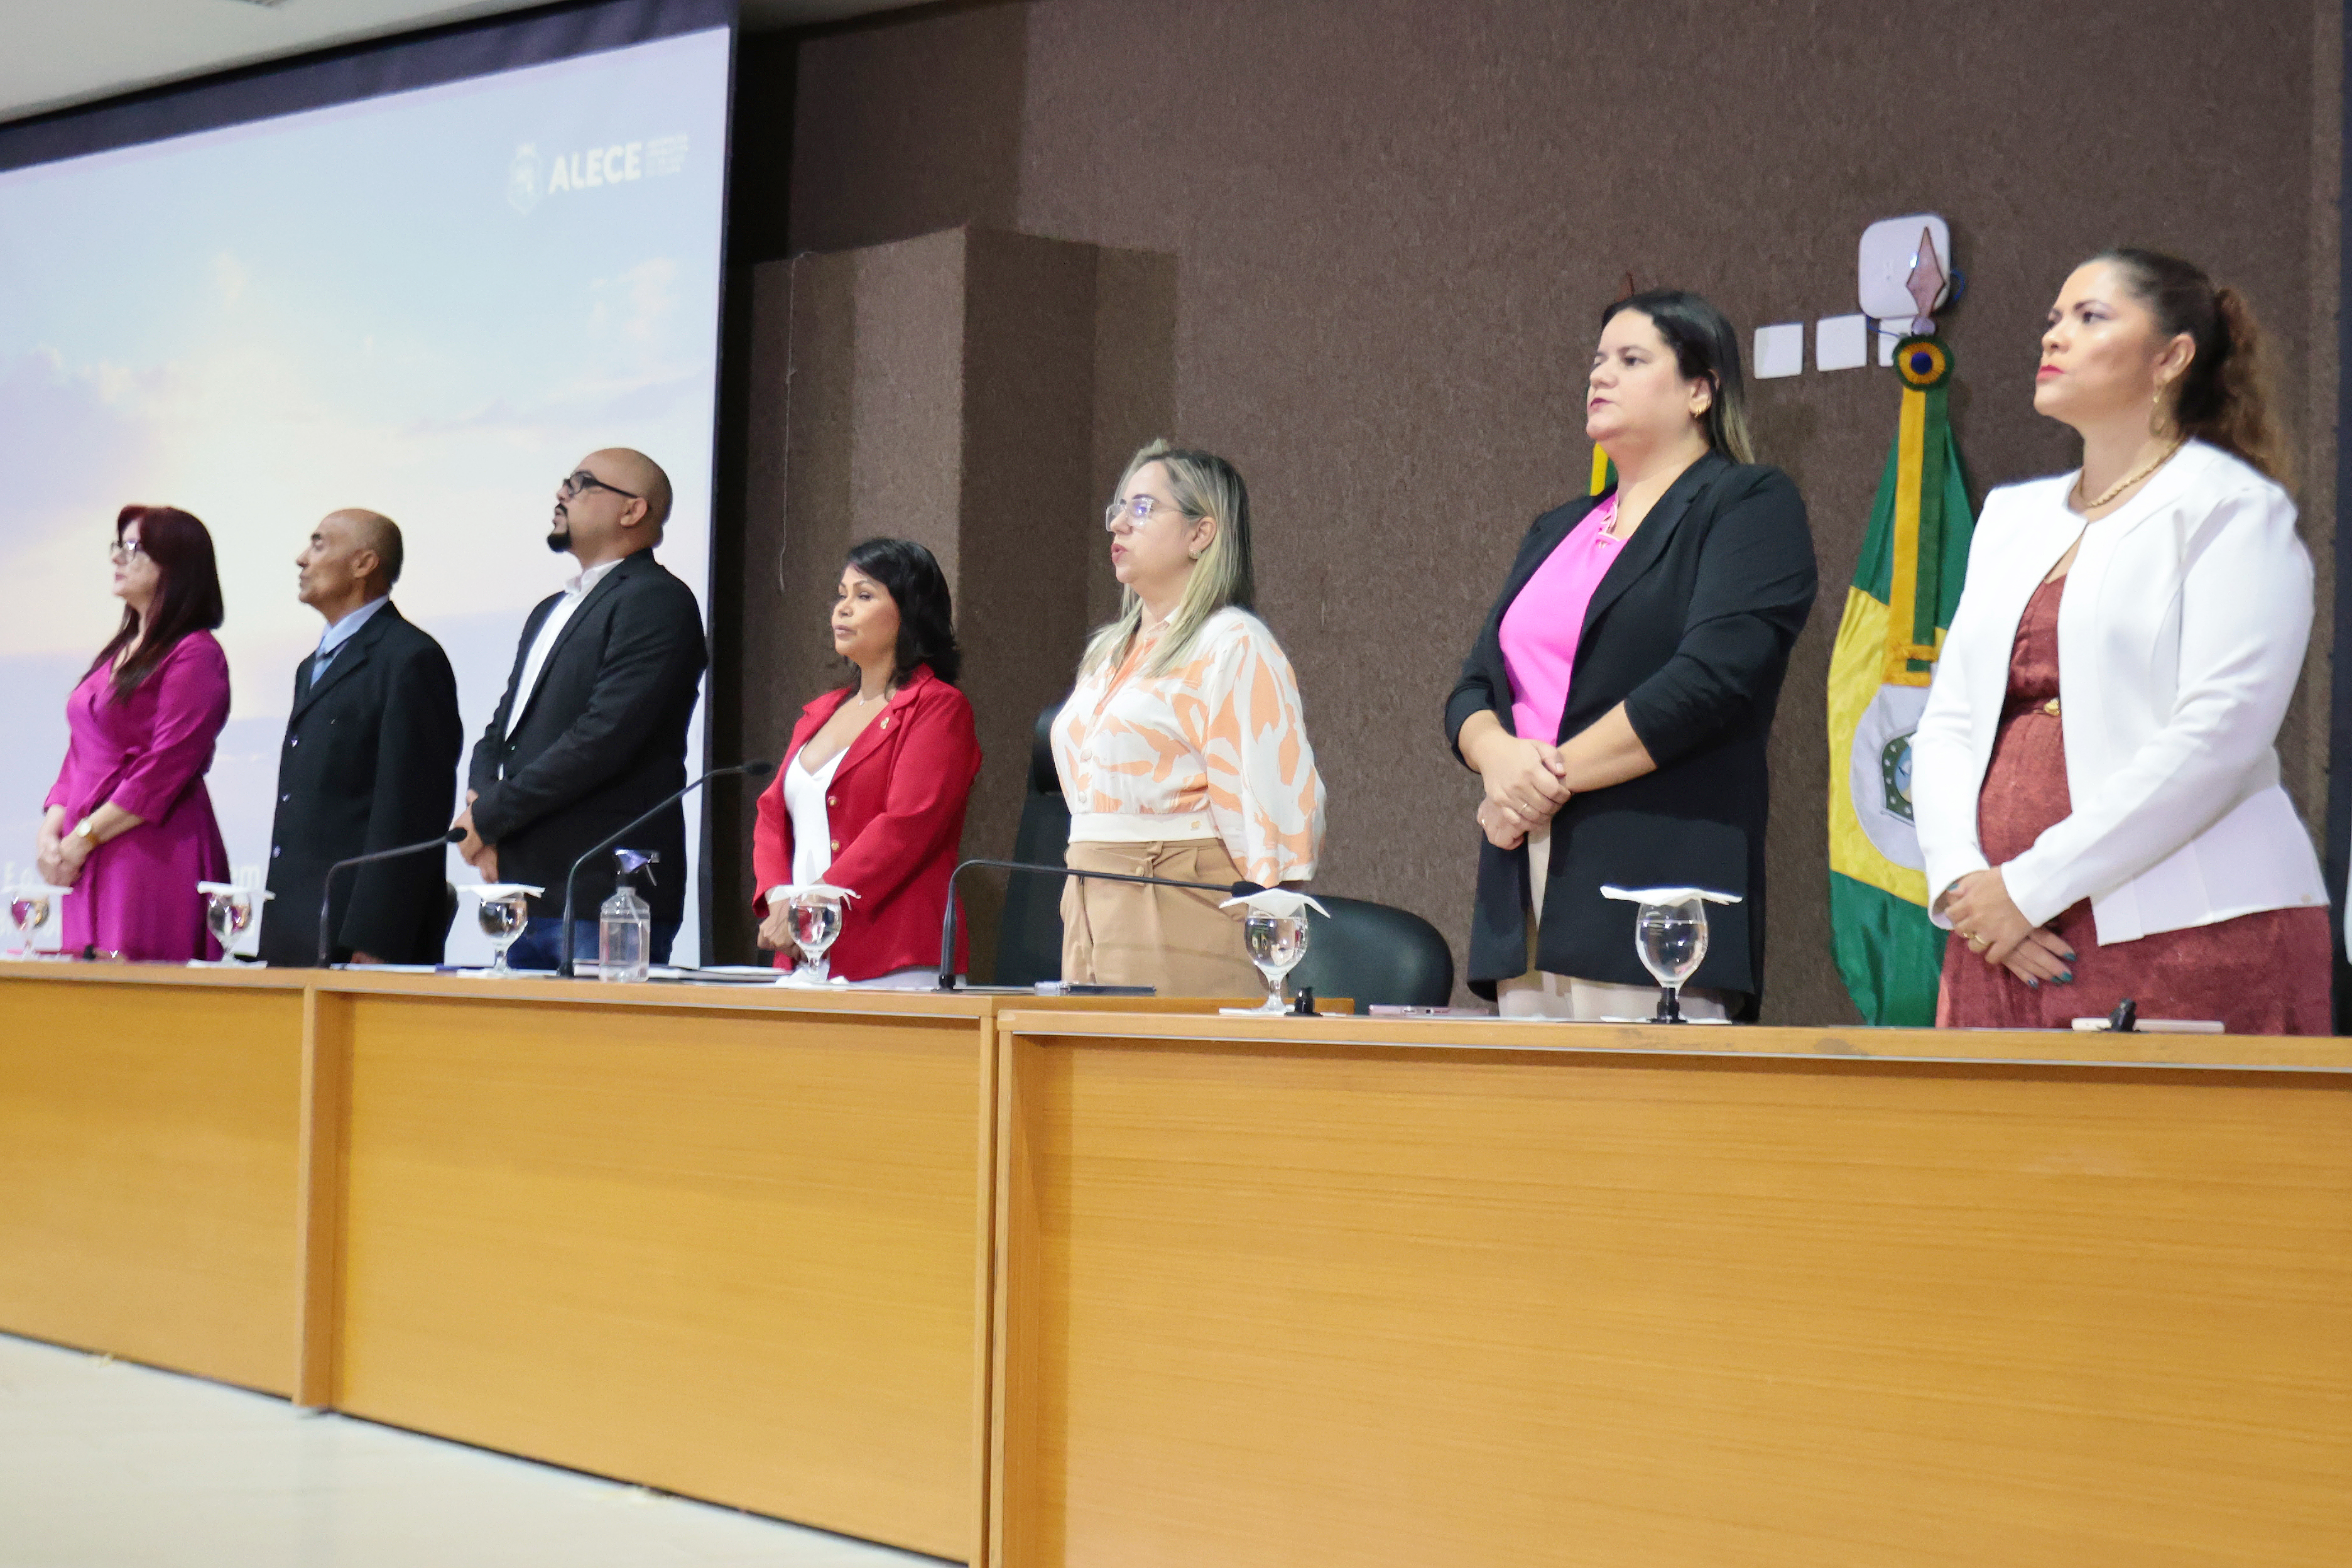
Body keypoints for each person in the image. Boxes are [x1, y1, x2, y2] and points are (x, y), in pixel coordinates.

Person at [1912, 250, 2330, 1033]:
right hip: (1999, 937)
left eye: (2089, 317)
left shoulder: (2234, 509)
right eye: (2052, 321)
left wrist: (2030, 885)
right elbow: (1952, 720)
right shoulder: (2011, 517)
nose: (2053, 338)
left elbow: (2219, 733)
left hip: (2187, 935)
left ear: (2171, 357)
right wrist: (1966, 885)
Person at [1446, 290, 1817, 1020]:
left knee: (1642, 1130)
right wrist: (1497, 758)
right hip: (1525, 874)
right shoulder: (1559, 527)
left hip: (1654, 881)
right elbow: (1474, 685)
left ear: (1700, 389)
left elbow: (1709, 682)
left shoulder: (1747, 502)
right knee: (1534, 1126)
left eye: (1631, 360)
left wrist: (1536, 785)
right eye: (1596, 362)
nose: (1599, 377)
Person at [1051, 440, 1326, 994]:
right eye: (1118, 509)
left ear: (1202, 533)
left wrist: (1272, 930)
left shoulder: (1232, 642)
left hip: (1179, 895)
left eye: (1143, 509)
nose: (1120, 526)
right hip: (1088, 894)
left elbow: (1267, 796)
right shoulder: (1109, 651)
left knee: (1164, 1075)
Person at [455, 449, 707, 969]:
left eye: (581, 483)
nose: (561, 493)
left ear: (633, 510)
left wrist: (492, 815)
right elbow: (504, 728)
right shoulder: (551, 609)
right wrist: (485, 808)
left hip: (605, 893)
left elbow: (604, 737)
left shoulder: (656, 600)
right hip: (526, 891)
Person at [751, 539, 981, 986]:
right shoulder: (821, 711)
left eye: (865, 595)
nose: (843, 609)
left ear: (910, 612)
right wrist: (780, 898)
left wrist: (811, 906)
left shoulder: (938, 708)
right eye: (841, 594)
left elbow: (908, 825)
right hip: (805, 954)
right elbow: (771, 814)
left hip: (894, 958)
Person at [256, 511, 464, 967]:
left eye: (318, 544)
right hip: (296, 927)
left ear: (364, 563)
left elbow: (409, 813)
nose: (301, 559)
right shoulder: (311, 666)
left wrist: (375, 944)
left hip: (356, 941)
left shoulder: (410, 658)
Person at [38, 506, 232, 961]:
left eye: (133, 548)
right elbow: (79, 756)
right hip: (87, 849)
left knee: (137, 992)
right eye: (117, 547)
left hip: (150, 849)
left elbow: (166, 766)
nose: (117, 559)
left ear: (177, 565)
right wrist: (52, 835)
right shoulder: (119, 652)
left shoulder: (195, 654)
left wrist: (82, 837)